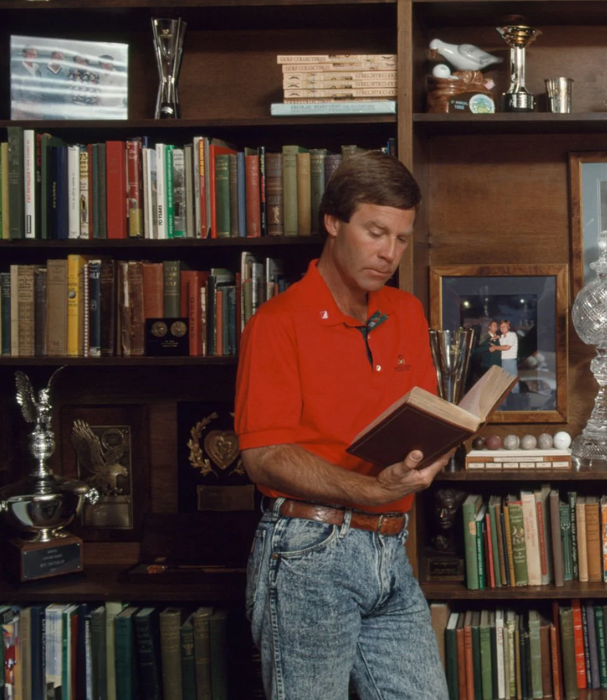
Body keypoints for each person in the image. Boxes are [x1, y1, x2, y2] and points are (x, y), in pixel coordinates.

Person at [235, 151, 451, 700]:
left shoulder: (405, 312)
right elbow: (264, 455)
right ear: (334, 222)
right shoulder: (276, 323)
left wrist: (435, 456)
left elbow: (429, 423)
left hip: (390, 550)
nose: (389, 253)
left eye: (401, 239)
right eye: (376, 232)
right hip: (308, 551)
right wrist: (372, 489)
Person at [492, 319, 520, 393]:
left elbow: (507, 347)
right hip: (504, 360)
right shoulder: (502, 336)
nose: (502, 328)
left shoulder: (512, 335)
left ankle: (517, 397)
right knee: (505, 380)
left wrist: (495, 347)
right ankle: (509, 397)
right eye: (501, 327)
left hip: (510, 361)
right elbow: (500, 338)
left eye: (504, 326)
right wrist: (496, 337)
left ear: (509, 327)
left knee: (513, 380)